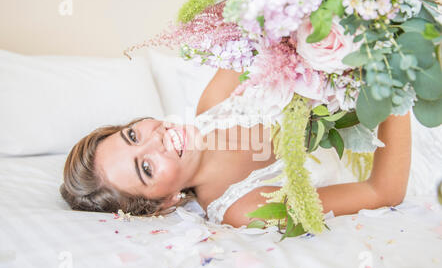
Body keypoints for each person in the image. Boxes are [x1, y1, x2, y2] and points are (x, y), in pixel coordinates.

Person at [60, 68, 412, 228]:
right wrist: (395, 79)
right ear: (164, 203)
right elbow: (382, 190)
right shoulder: (242, 208)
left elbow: (269, 29)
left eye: (133, 136)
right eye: (146, 168)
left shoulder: (214, 101)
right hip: (403, 128)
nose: (157, 140)